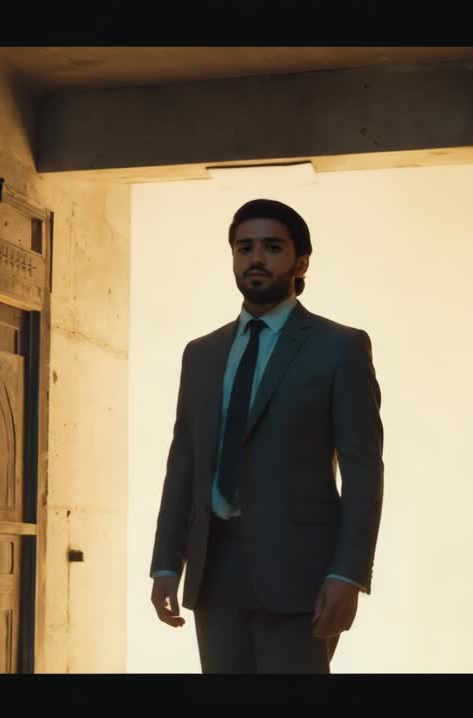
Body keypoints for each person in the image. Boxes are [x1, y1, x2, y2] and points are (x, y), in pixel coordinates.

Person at [148, 198, 384, 674]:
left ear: (300, 263)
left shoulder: (339, 348)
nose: (256, 258)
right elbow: (184, 464)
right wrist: (165, 564)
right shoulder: (201, 354)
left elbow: (363, 471)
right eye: (244, 247)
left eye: (272, 247)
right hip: (214, 571)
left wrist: (349, 573)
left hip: (301, 574)